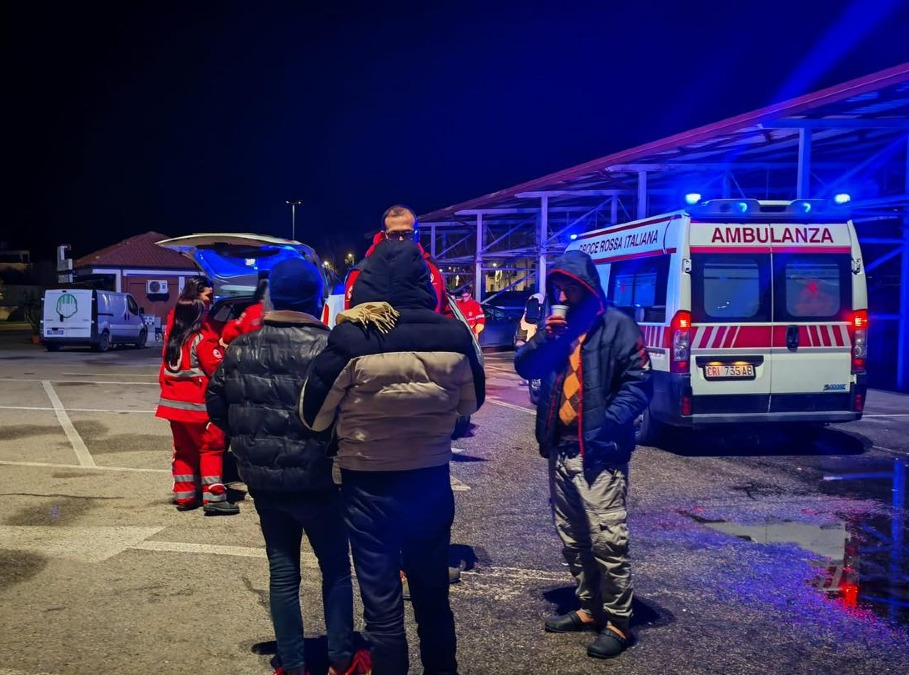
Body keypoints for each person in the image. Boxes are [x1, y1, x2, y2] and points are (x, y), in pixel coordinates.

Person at [301, 239, 486, 675]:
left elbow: (313, 416)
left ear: (368, 282)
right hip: (429, 481)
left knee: (382, 607)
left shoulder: (352, 336)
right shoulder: (455, 336)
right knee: (433, 598)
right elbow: (470, 405)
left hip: (368, 485)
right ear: (424, 282)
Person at [207, 258, 370, 675]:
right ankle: (340, 658)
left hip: (264, 482)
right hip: (321, 480)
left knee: (283, 571)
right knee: (335, 569)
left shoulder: (241, 347)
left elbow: (217, 405)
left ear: (272, 296)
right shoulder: (329, 348)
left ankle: (293, 664)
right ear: (317, 299)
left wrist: (248, 440)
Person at [514, 250, 651, 659]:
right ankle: (589, 608)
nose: (564, 294)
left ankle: (618, 623)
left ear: (589, 287)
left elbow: (639, 384)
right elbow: (527, 368)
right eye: (559, 288)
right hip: (561, 451)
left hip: (600, 454)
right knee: (574, 539)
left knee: (608, 540)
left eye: (571, 287)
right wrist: (545, 337)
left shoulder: (618, 326)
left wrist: (607, 424)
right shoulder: (559, 328)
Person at [156, 277, 238, 515]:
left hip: (173, 408)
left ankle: (185, 495)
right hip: (199, 408)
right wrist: (222, 349)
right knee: (210, 449)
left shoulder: (174, 339)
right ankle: (213, 497)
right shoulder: (201, 340)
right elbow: (217, 369)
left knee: (183, 451)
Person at [344, 205, 454, 318]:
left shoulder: (432, 268)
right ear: (383, 235)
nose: (401, 240)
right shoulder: (360, 273)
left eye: (407, 234)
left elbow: (446, 313)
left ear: (417, 234)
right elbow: (350, 320)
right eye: (394, 235)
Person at [220, 270, 270, 347]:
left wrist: (233, 322)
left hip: (253, 356)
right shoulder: (289, 313)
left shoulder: (253, 311)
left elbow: (228, 335)